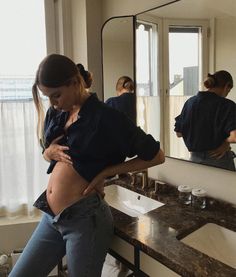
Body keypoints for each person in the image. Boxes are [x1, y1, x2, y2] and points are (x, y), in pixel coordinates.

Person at [9, 54, 165, 277]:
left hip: (85, 220)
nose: (53, 103)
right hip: (52, 217)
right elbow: (51, 154)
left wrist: (108, 172)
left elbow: (157, 156)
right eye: (47, 97)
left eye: (56, 95)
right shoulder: (58, 113)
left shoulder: (107, 117)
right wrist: (47, 153)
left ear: (74, 82)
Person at [174, 70, 236, 171]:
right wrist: (225, 143)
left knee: (198, 187)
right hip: (219, 161)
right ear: (226, 86)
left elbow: (179, 133)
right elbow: (234, 137)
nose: (226, 94)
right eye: (228, 91)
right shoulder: (227, 105)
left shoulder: (190, 102)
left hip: (194, 161)